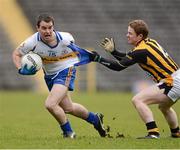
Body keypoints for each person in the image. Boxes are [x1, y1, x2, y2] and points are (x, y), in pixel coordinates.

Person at [12, 13, 106, 138]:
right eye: (44, 28)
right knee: (68, 108)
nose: (48, 31)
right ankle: (95, 119)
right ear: (37, 28)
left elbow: (76, 50)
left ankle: (68, 132)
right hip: (50, 75)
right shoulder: (31, 42)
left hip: (66, 70)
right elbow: (16, 54)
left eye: (50, 27)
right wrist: (20, 69)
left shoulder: (65, 38)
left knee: (50, 104)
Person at [91, 19, 180, 139]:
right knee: (164, 107)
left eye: (130, 33)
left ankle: (153, 133)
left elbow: (118, 66)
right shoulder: (148, 42)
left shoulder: (141, 50)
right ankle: (176, 133)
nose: (127, 35)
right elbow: (129, 58)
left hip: (172, 81)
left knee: (138, 100)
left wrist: (98, 59)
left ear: (140, 36)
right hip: (176, 77)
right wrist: (113, 51)